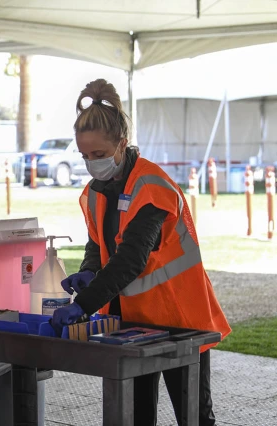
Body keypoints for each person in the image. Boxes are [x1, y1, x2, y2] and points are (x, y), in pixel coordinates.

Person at [51, 79, 231, 426]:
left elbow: (131, 259)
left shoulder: (151, 187)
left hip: (180, 320)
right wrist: (89, 269)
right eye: (85, 156)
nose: (92, 163)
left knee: (193, 416)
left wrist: (83, 304)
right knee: (134, 416)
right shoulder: (95, 191)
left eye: (99, 155)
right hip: (131, 321)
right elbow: (97, 242)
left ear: (123, 143)